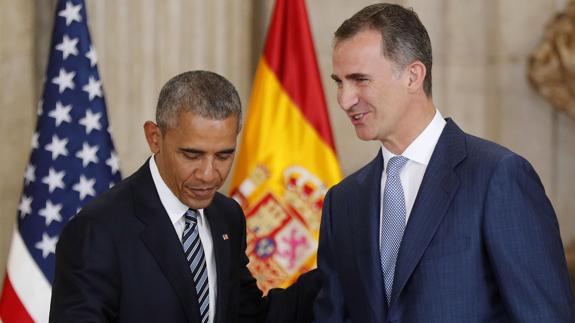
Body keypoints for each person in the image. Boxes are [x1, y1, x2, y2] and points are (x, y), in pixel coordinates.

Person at [313, 3, 575, 322]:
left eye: (359, 80)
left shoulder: (497, 177)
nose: (344, 99)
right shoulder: (343, 202)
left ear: (413, 76)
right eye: (339, 82)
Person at [49, 70, 320, 323]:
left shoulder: (227, 216)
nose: (209, 174)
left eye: (224, 155)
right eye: (192, 155)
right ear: (154, 137)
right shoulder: (97, 230)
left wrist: (338, 271)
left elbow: (247, 315)